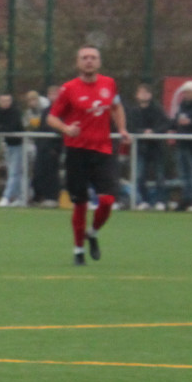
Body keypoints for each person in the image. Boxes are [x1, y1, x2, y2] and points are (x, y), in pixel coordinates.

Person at [45, 46, 129, 265]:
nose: (89, 61)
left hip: (103, 151)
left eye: (93, 57)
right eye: (84, 58)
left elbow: (117, 107)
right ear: (78, 62)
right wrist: (66, 129)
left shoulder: (109, 83)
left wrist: (122, 129)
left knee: (108, 200)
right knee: (80, 203)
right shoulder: (68, 89)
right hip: (77, 152)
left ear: (99, 62)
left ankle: (92, 233)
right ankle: (78, 251)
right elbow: (51, 118)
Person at [127, 83, 170, 210]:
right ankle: (143, 201)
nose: (143, 95)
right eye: (141, 92)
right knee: (140, 175)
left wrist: (154, 132)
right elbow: (130, 127)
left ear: (150, 95)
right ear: (136, 95)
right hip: (140, 148)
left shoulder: (157, 110)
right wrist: (142, 132)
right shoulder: (133, 111)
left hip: (156, 148)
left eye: (146, 93)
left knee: (159, 175)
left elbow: (165, 124)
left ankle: (160, 201)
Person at [171, 80, 192, 211]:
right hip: (182, 144)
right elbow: (176, 120)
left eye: (189, 92)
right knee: (183, 174)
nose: (186, 95)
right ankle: (186, 199)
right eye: (185, 92)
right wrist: (172, 126)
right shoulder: (182, 105)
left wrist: (191, 123)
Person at [31, 85, 63, 207]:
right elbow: (41, 129)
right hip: (42, 147)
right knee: (38, 172)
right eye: (50, 94)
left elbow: (61, 129)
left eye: (55, 94)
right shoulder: (46, 111)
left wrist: (56, 148)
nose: (52, 97)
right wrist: (38, 144)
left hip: (53, 148)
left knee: (52, 173)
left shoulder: (63, 110)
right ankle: (39, 197)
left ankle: (52, 198)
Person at [0, 93, 25, 207]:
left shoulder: (15, 112)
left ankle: (6, 197)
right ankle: (18, 196)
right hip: (7, 145)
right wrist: (3, 128)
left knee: (14, 172)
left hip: (18, 145)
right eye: (3, 101)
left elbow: (14, 126)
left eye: (7, 100)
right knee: (12, 171)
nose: (5, 103)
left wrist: (3, 128)